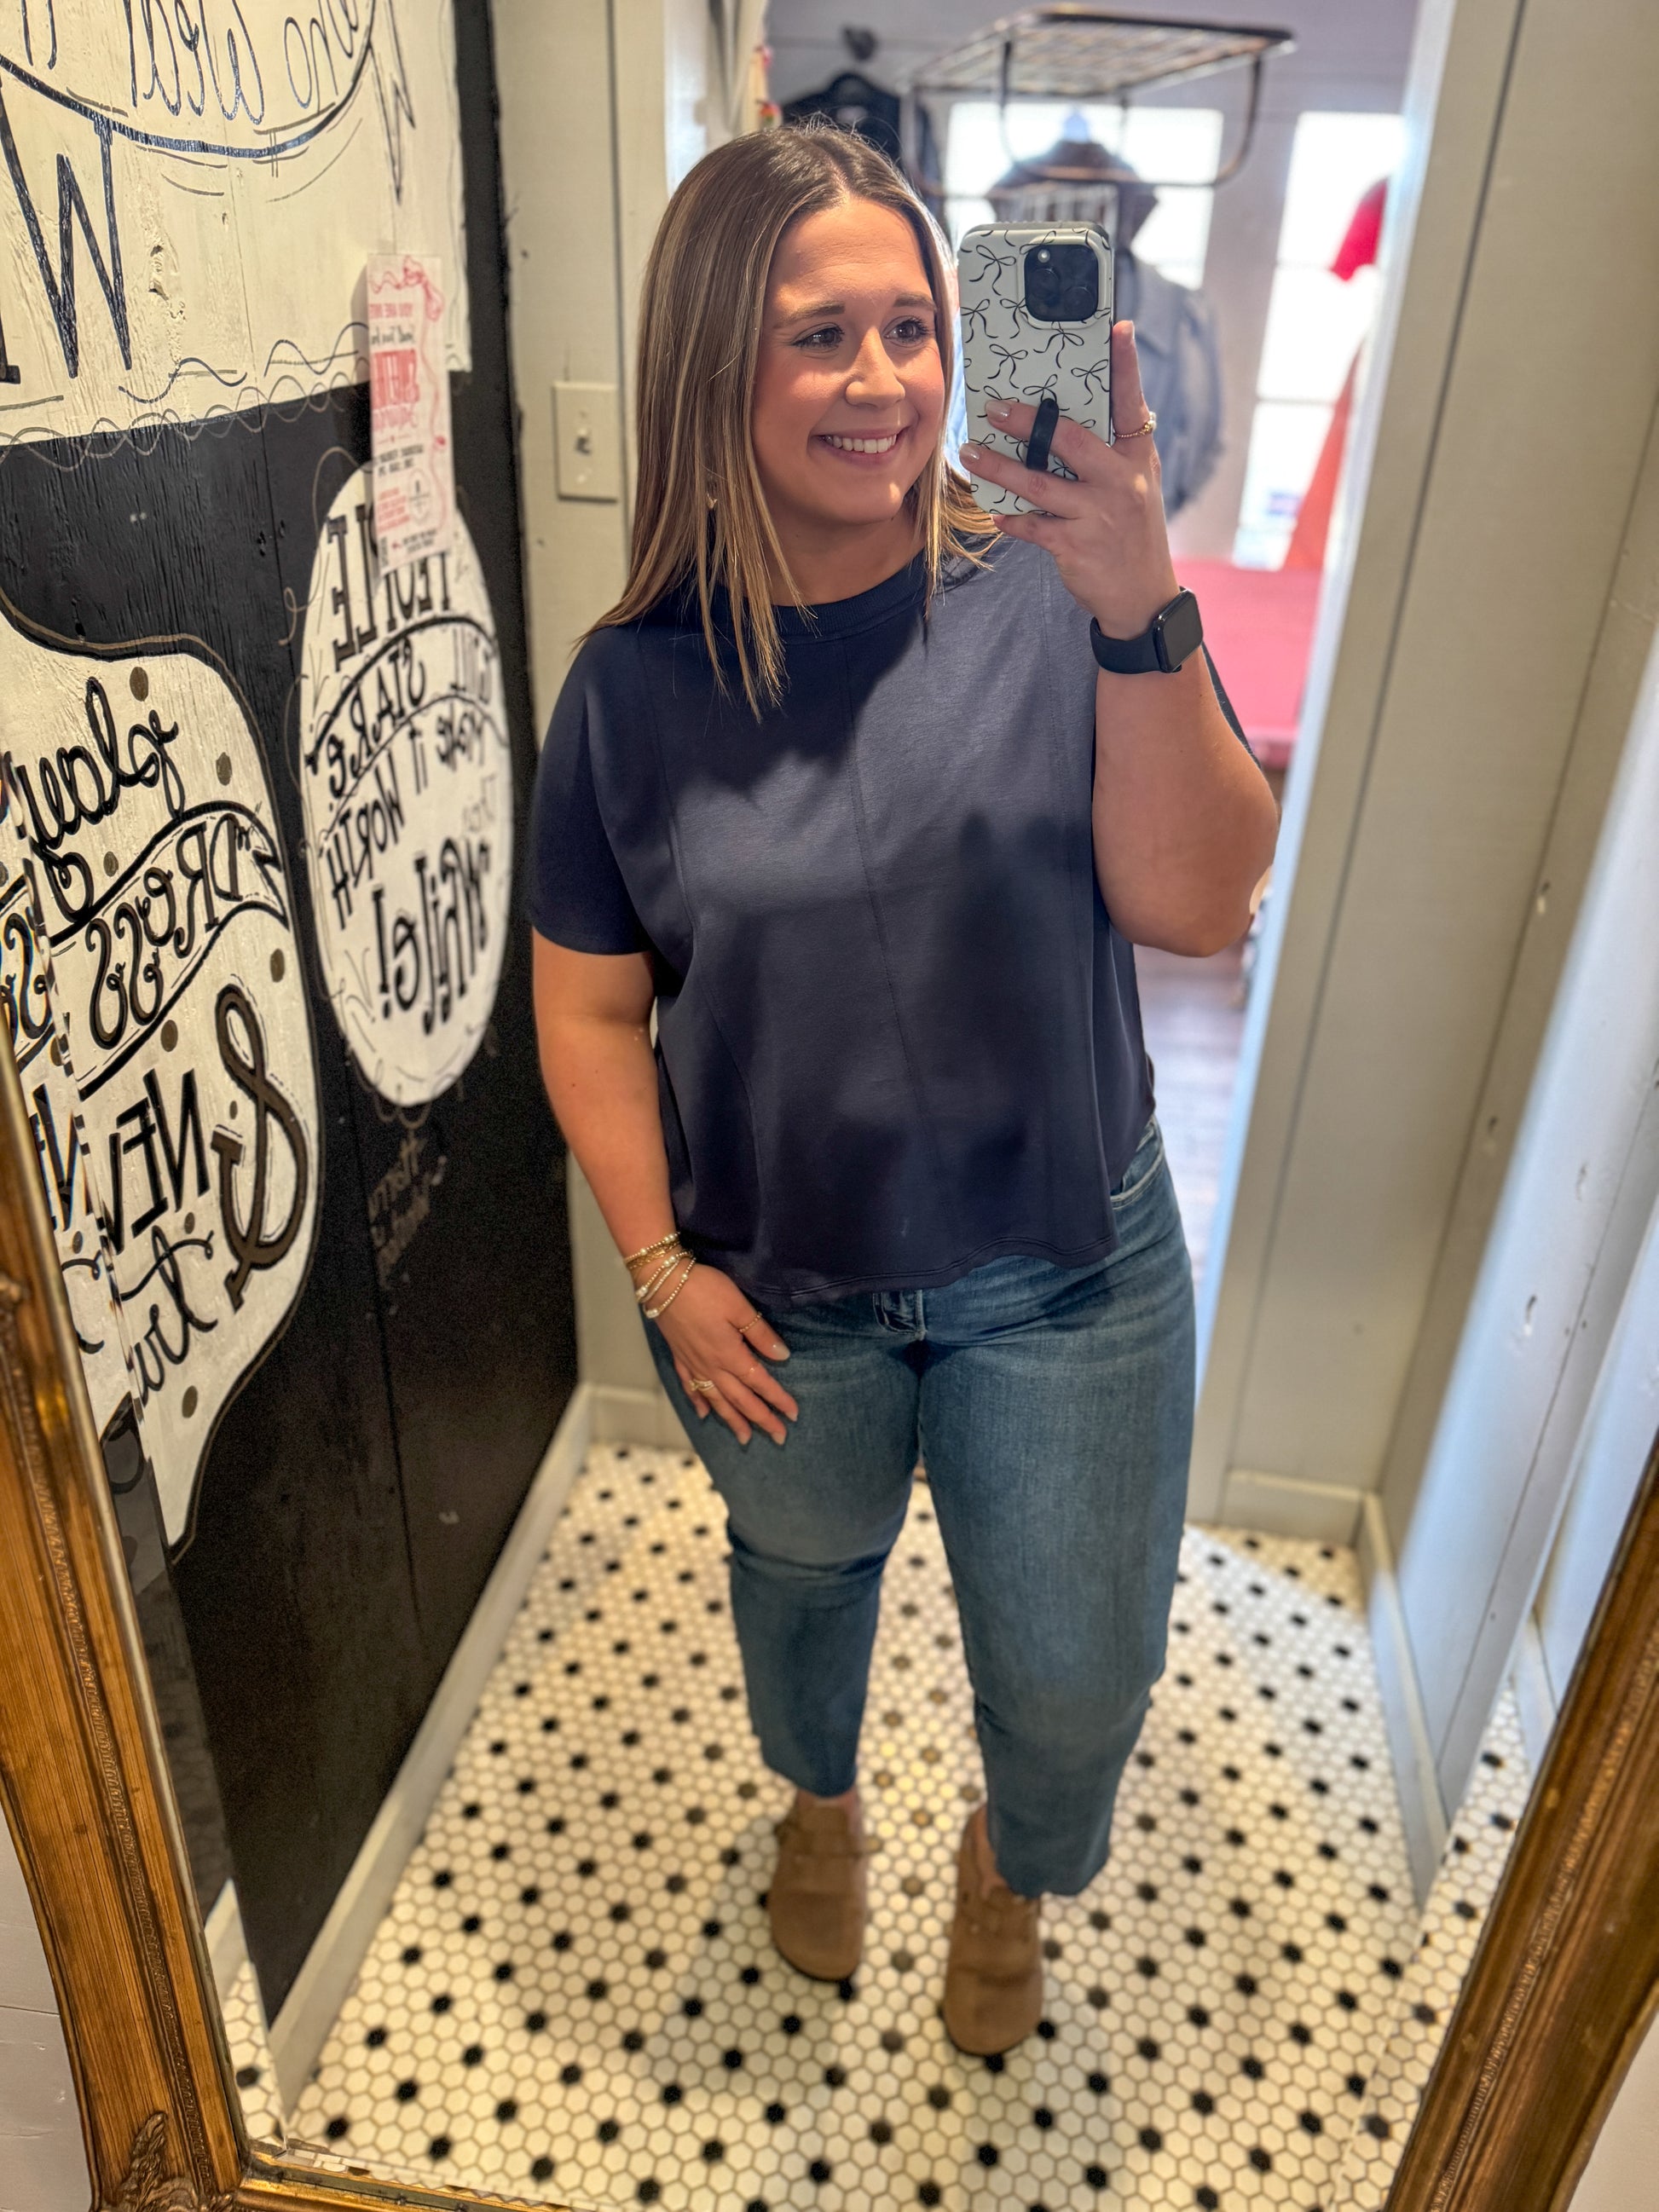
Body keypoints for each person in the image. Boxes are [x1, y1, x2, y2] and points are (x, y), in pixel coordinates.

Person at [528, 123, 1277, 2057]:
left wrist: (1139, 599)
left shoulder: (1048, 596)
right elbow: (592, 1016)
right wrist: (657, 1266)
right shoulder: (625, 693)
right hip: (780, 1291)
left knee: (1074, 1674)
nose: (886, 381)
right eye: (819, 337)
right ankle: (819, 1799)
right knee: (799, 1581)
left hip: (1067, 1269)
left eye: (914, 327)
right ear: (716, 363)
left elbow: (1200, 906)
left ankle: (1009, 1870)